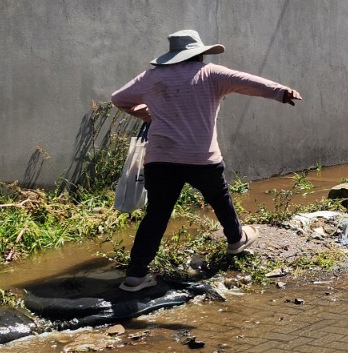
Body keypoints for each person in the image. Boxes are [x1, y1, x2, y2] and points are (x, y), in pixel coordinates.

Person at [111, 29, 302, 292]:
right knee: (220, 199)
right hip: (201, 157)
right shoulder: (210, 73)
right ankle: (236, 241)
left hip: (161, 158)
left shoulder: (151, 77)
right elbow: (248, 82)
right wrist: (282, 92)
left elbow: (118, 98)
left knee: (156, 215)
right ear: (199, 54)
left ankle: (135, 276)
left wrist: (146, 112)